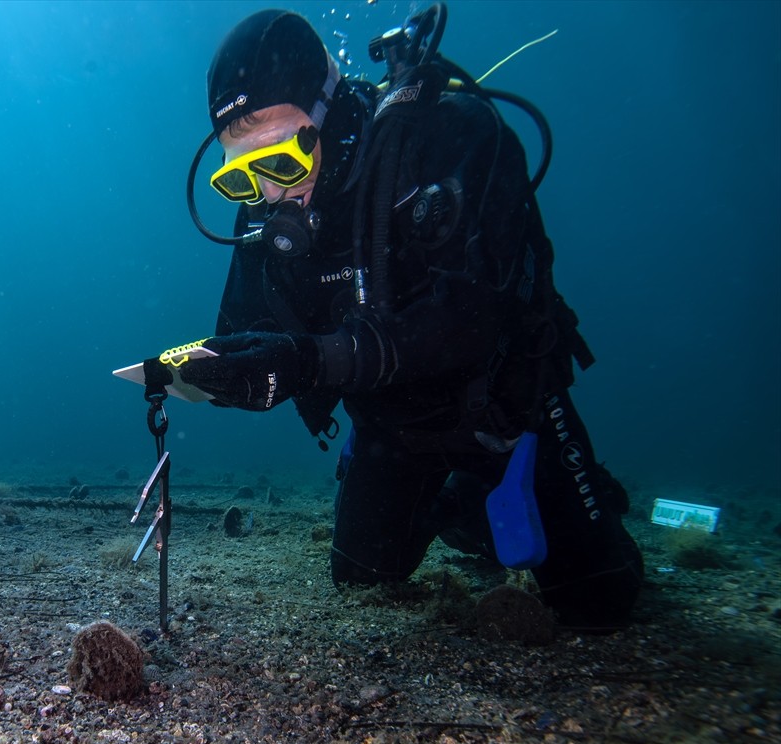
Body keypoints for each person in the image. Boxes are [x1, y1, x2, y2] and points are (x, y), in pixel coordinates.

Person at [178, 5, 643, 630]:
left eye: (283, 163)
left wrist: (311, 360)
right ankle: (458, 509)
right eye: (239, 178)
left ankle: (527, 500)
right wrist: (227, 373)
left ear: (331, 108)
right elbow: (246, 336)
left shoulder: (448, 138)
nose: (270, 195)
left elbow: (471, 318)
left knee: (602, 605)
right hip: (392, 429)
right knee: (359, 581)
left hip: (509, 413)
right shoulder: (265, 215)